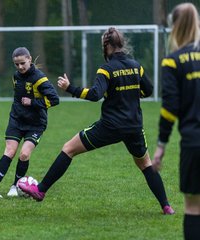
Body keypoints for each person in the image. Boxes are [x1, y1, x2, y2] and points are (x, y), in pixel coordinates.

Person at [19, 27, 175, 215]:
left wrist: (70, 88)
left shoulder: (106, 69)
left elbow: (95, 94)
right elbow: (148, 90)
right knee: (146, 164)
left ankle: (41, 190)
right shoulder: (136, 65)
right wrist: (129, 96)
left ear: (107, 46)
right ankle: (166, 206)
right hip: (134, 126)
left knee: (68, 149)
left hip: (110, 126)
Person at [152, 3, 200, 239]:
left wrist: (161, 145)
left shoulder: (172, 61)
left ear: (175, 27)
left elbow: (170, 108)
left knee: (193, 208)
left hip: (194, 144)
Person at [0, 47, 60, 198]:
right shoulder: (16, 76)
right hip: (17, 119)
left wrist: (32, 102)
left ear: (30, 59)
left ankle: (15, 187)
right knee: (10, 151)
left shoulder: (40, 79)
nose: (20, 67)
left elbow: (54, 99)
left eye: (22, 63)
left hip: (36, 123)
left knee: (24, 154)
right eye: (16, 64)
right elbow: (18, 97)